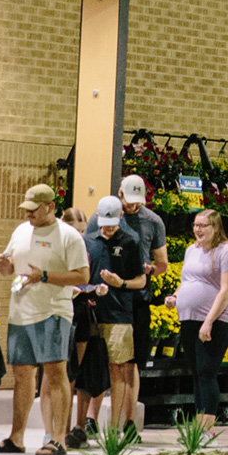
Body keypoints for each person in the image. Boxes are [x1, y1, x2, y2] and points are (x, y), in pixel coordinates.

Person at [0, 184, 89, 455]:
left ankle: (58, 437)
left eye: (34, 210)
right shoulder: (21, 230)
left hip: (53, 312)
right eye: (27, 209)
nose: (29, 214)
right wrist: (3, 265)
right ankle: (16, 437)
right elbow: (11, 264)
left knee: (56, 373)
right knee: (22, 375)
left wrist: (45, 276)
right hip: (21, 310)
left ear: (50, 207)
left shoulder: (68, 236)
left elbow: (82, 276)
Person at [86, 175, 168, 433]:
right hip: (102, 301)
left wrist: (149, 270)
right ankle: (89, 419)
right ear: (119, 194)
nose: (132, 207)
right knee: (98, 360)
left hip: (135, 300)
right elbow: (90, 250)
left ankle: (129, 422)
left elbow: (162, 264)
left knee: (129, 364)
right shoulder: (100, 217)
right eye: (127, 202)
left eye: (136, 203)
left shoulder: (153, 221)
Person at [77, 196, 148, 444]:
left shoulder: (130, 243)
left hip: (119, 316)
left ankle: (116, 428)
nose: (107, 227)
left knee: (118, 370)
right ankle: (82, 423)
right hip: (92, 313)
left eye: (112, 223)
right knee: (88, 369)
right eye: (104, 222)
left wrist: (122, 283)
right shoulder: (88, 242)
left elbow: (141, 280)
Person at [168, 208, 228, 434]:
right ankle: (199, 424)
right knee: (197, 372)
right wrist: (176, 296)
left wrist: (208, 321)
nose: (198, 230)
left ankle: (206, 426)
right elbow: (187, 280)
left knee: (207, 370)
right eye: (195, 225)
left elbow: (227, 291)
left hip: (217, 320)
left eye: (203, 225)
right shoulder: (192, 250)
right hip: (189, 319)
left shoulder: (227, 252)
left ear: (216, 227)